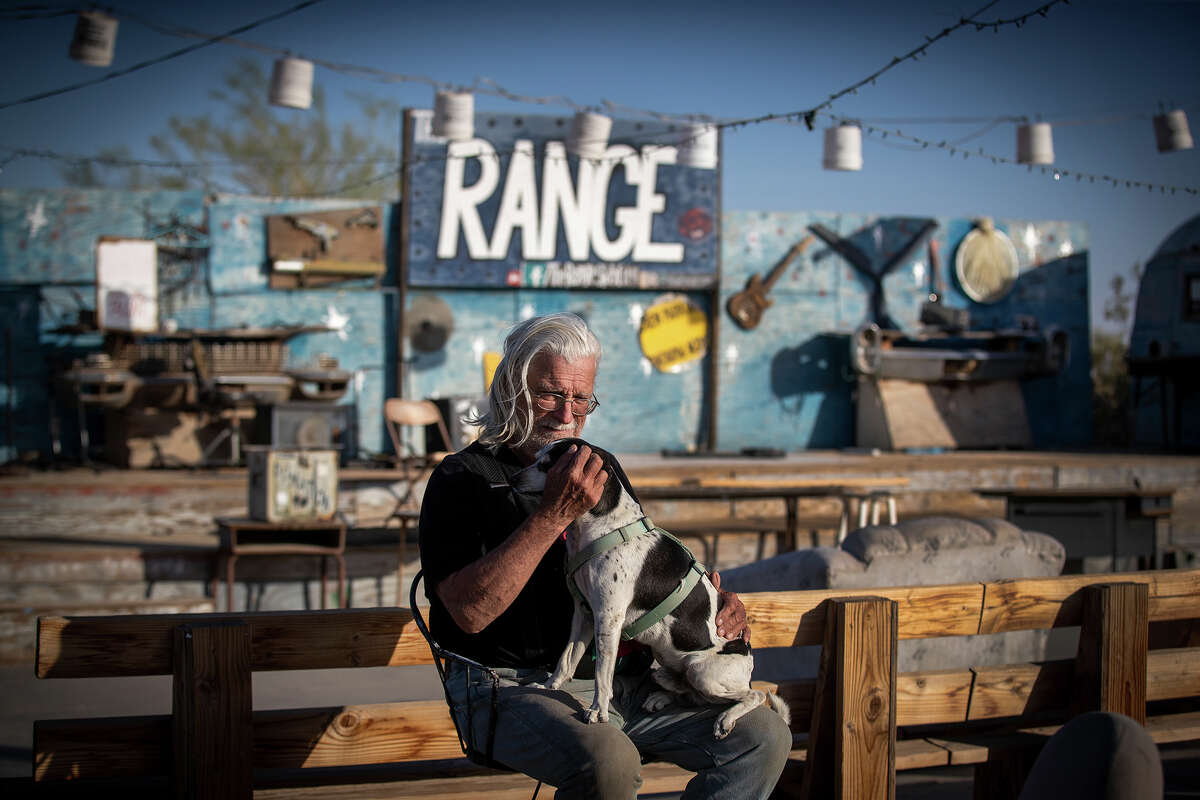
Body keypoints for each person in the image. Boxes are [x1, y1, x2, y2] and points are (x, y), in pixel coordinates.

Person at [417, 312, 791, 799]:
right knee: (609, 759)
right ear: (510, 388)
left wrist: (711, 604)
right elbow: (469, 614)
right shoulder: (462, 478)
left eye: (581, 398)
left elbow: (642, 564)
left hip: (626, 680)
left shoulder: (598, 465)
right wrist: (552, 515)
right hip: (509, 686)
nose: (567, 415)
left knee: (761, 737)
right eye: (552, 393)